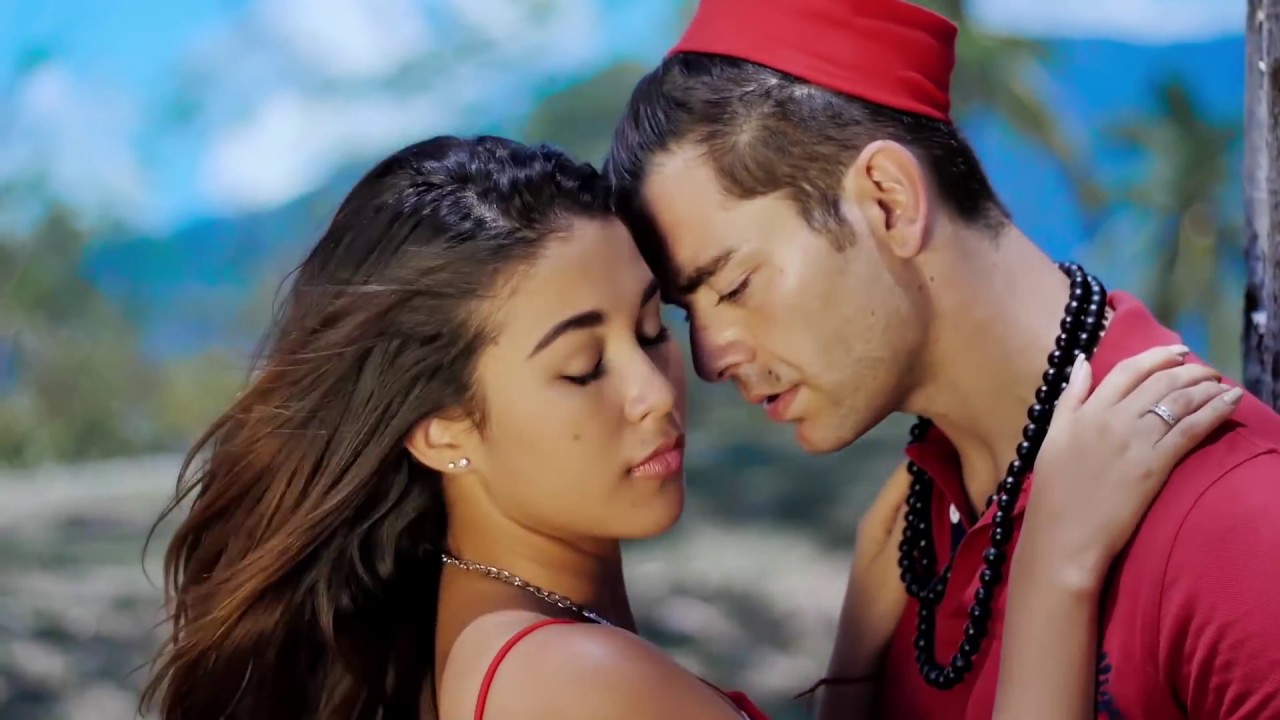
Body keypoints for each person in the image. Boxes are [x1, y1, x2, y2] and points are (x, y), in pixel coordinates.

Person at [137, 135, 1236, 720]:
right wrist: (1054, 568)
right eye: (581, 368)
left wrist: (859, 648)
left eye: (649, 330)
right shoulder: (563, 683)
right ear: (440, 430)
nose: (660, 389)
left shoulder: (498, 643)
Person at [604, 0, 1280, 718]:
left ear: (889, 202)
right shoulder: (913, 534)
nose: (709, 359)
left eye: (736, 286)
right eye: (688, 314)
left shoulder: (1236, 525)